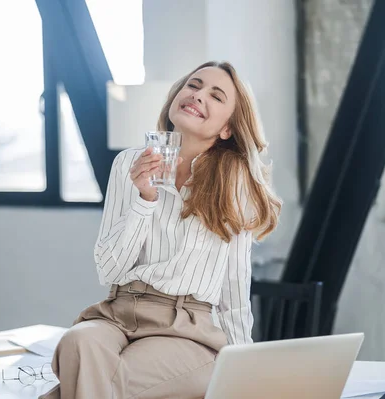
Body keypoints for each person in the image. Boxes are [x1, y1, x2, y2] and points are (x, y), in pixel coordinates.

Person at [41, 61, 282, 399]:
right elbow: (108, 269)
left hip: (187, 331)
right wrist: (145, 199)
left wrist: (242, 366)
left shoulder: (235, 181)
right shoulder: (128, 164)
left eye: (215, 95)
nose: (198, 96)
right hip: (117, 312)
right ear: (176, 97)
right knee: (78, 341)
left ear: (227, 128)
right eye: (193, 86)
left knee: (104, 382)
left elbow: (234, 286)